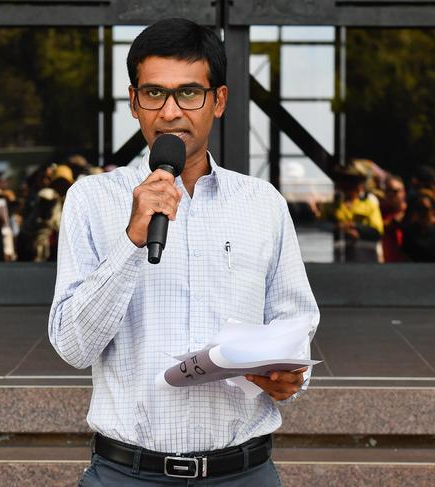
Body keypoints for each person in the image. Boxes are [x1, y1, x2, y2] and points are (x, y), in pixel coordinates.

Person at [49, 18, 319, 486]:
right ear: (134, 102)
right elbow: (73, 347)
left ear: (219, 100)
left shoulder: (262, 203)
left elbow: (294, 326)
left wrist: (290, 378)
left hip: (243, 473)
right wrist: (132, 241)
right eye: (154, 93)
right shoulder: (91, 200)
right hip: (126, 474)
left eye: (189, 93)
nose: (170, 111)